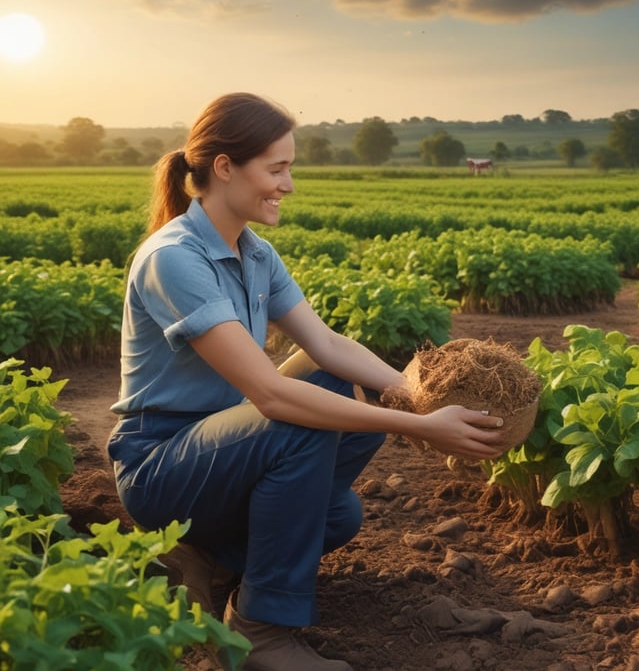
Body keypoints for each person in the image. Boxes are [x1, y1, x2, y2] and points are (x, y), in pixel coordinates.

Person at [106, 91, 507, 671]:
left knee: (339, 508)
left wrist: (415, 395)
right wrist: (415, 424)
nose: (288, 184)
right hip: (162, 464)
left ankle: (202, 556)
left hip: (223, 450)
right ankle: (261, 633)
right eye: (277, 169)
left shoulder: (255, 254)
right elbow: (269, 395)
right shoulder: (174, 257)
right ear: (224, 167)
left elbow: (326, 346)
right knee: (300, 420)